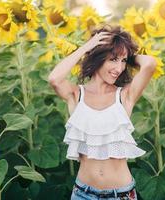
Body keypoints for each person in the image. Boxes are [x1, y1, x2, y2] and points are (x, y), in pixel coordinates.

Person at [48, 25, 157, 200]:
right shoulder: (76, 95)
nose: (119, 68)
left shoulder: (124, 96)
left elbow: (150, 63)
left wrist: (126, 53)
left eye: (123, 61)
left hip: (120, 195)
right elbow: (54, 78)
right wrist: (86, 48)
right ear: (98, 58)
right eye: (113, 59)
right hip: (83, 194)